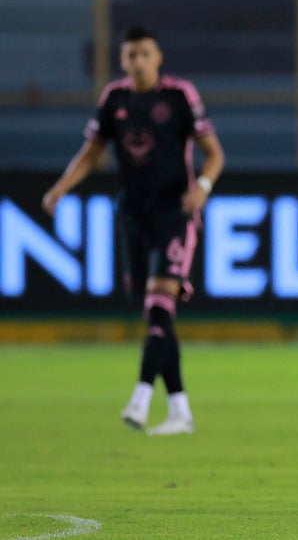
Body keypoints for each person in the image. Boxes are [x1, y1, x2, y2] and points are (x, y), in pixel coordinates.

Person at [42, 26, 225, 437]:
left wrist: (203, 188)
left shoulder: (180, 96)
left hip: (175, 213)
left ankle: (140, 398)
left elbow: (214, 154)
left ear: (158, 57)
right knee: (158, 315)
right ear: (122, 61)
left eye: (144, 53)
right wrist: (60, 189)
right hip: (133, 217)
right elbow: (91, 154)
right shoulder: (114, 99)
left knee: (160, 308)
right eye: (130, 55)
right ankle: (180, 410)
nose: (137, 61)